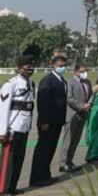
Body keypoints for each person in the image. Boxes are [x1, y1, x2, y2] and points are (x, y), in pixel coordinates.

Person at [29, 55, 68, 187]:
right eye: (60, 65)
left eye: (64, 65)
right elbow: (43, 102)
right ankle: (36, 178)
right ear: (53, 65)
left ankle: (45, 175)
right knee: (43, 150)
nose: (62, 68)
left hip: (56, 121)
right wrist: (44, 121)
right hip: (48, 122)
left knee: (50, 150)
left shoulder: (62, 80)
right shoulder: (47, 80)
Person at [0, 55, 36, 196]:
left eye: (32, 66)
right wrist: (3, 131)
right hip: (12, 129)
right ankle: (3, 189)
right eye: (27, 66)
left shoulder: (31, 84)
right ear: (20, 67)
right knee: (8, 162)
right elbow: (3, 109)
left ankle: (12, 188)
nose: (30, 69)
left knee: (19, 159)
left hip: (24, 127)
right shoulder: (11, 84)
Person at [58, 62, 92, 172]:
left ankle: (70, 161)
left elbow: (91, 95)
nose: (84, 73)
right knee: (68, 139)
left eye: (85, 71)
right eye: (82, 71)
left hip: (83, 114)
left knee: (76, 140)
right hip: (72, 115)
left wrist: (89, 104)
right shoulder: (70, 83)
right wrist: (82, 106)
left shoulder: (87, 82)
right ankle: (63, 163)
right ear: (76, 72)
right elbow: (69, 98)